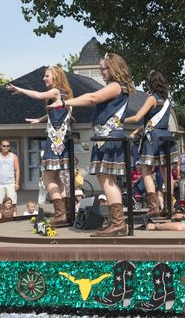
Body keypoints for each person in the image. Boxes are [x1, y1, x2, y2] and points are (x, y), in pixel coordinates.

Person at [47, 53, 136, 237]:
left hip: (109, 137)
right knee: (107, 180)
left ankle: (118, 223)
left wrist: (64, 102)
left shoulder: (115, 86)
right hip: (106, 137)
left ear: (114, 68)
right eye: (101, 69)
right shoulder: (118, 87)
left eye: (104, 68)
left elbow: (92, 98)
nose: (102, 72)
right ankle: (116, 221)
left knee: (107, 180)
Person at [6, 65, 72, 226]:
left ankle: (60, 213)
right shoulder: (65, 94)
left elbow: (38, 95)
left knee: (48, 177)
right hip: (62, 139)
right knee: (59, 179)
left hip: (55, 140)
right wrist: (41, 119)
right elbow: (58, 112)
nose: (44, 78)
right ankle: (68, 213)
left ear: (56, 77)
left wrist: (20, 90)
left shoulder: (56, 91)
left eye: (47, 76)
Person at [125, 70, 178, 217]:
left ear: (150, 83)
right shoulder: (167, 100)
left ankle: (154, 206)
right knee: (167, 173)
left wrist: (119, 120)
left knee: (146, 171)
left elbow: (137, 117)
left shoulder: (152, 99)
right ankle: (169, 207)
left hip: (152, 137)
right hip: (165, 135)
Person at [0, 139, 20, 216]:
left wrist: (17, 183)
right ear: (1, 146)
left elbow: (17, 170)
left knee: (13, 202)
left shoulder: (14, 156)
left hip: (10, 183)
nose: (6, 147)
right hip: (0, 183)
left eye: (7, 146)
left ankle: (14, 217)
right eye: (4, 146)